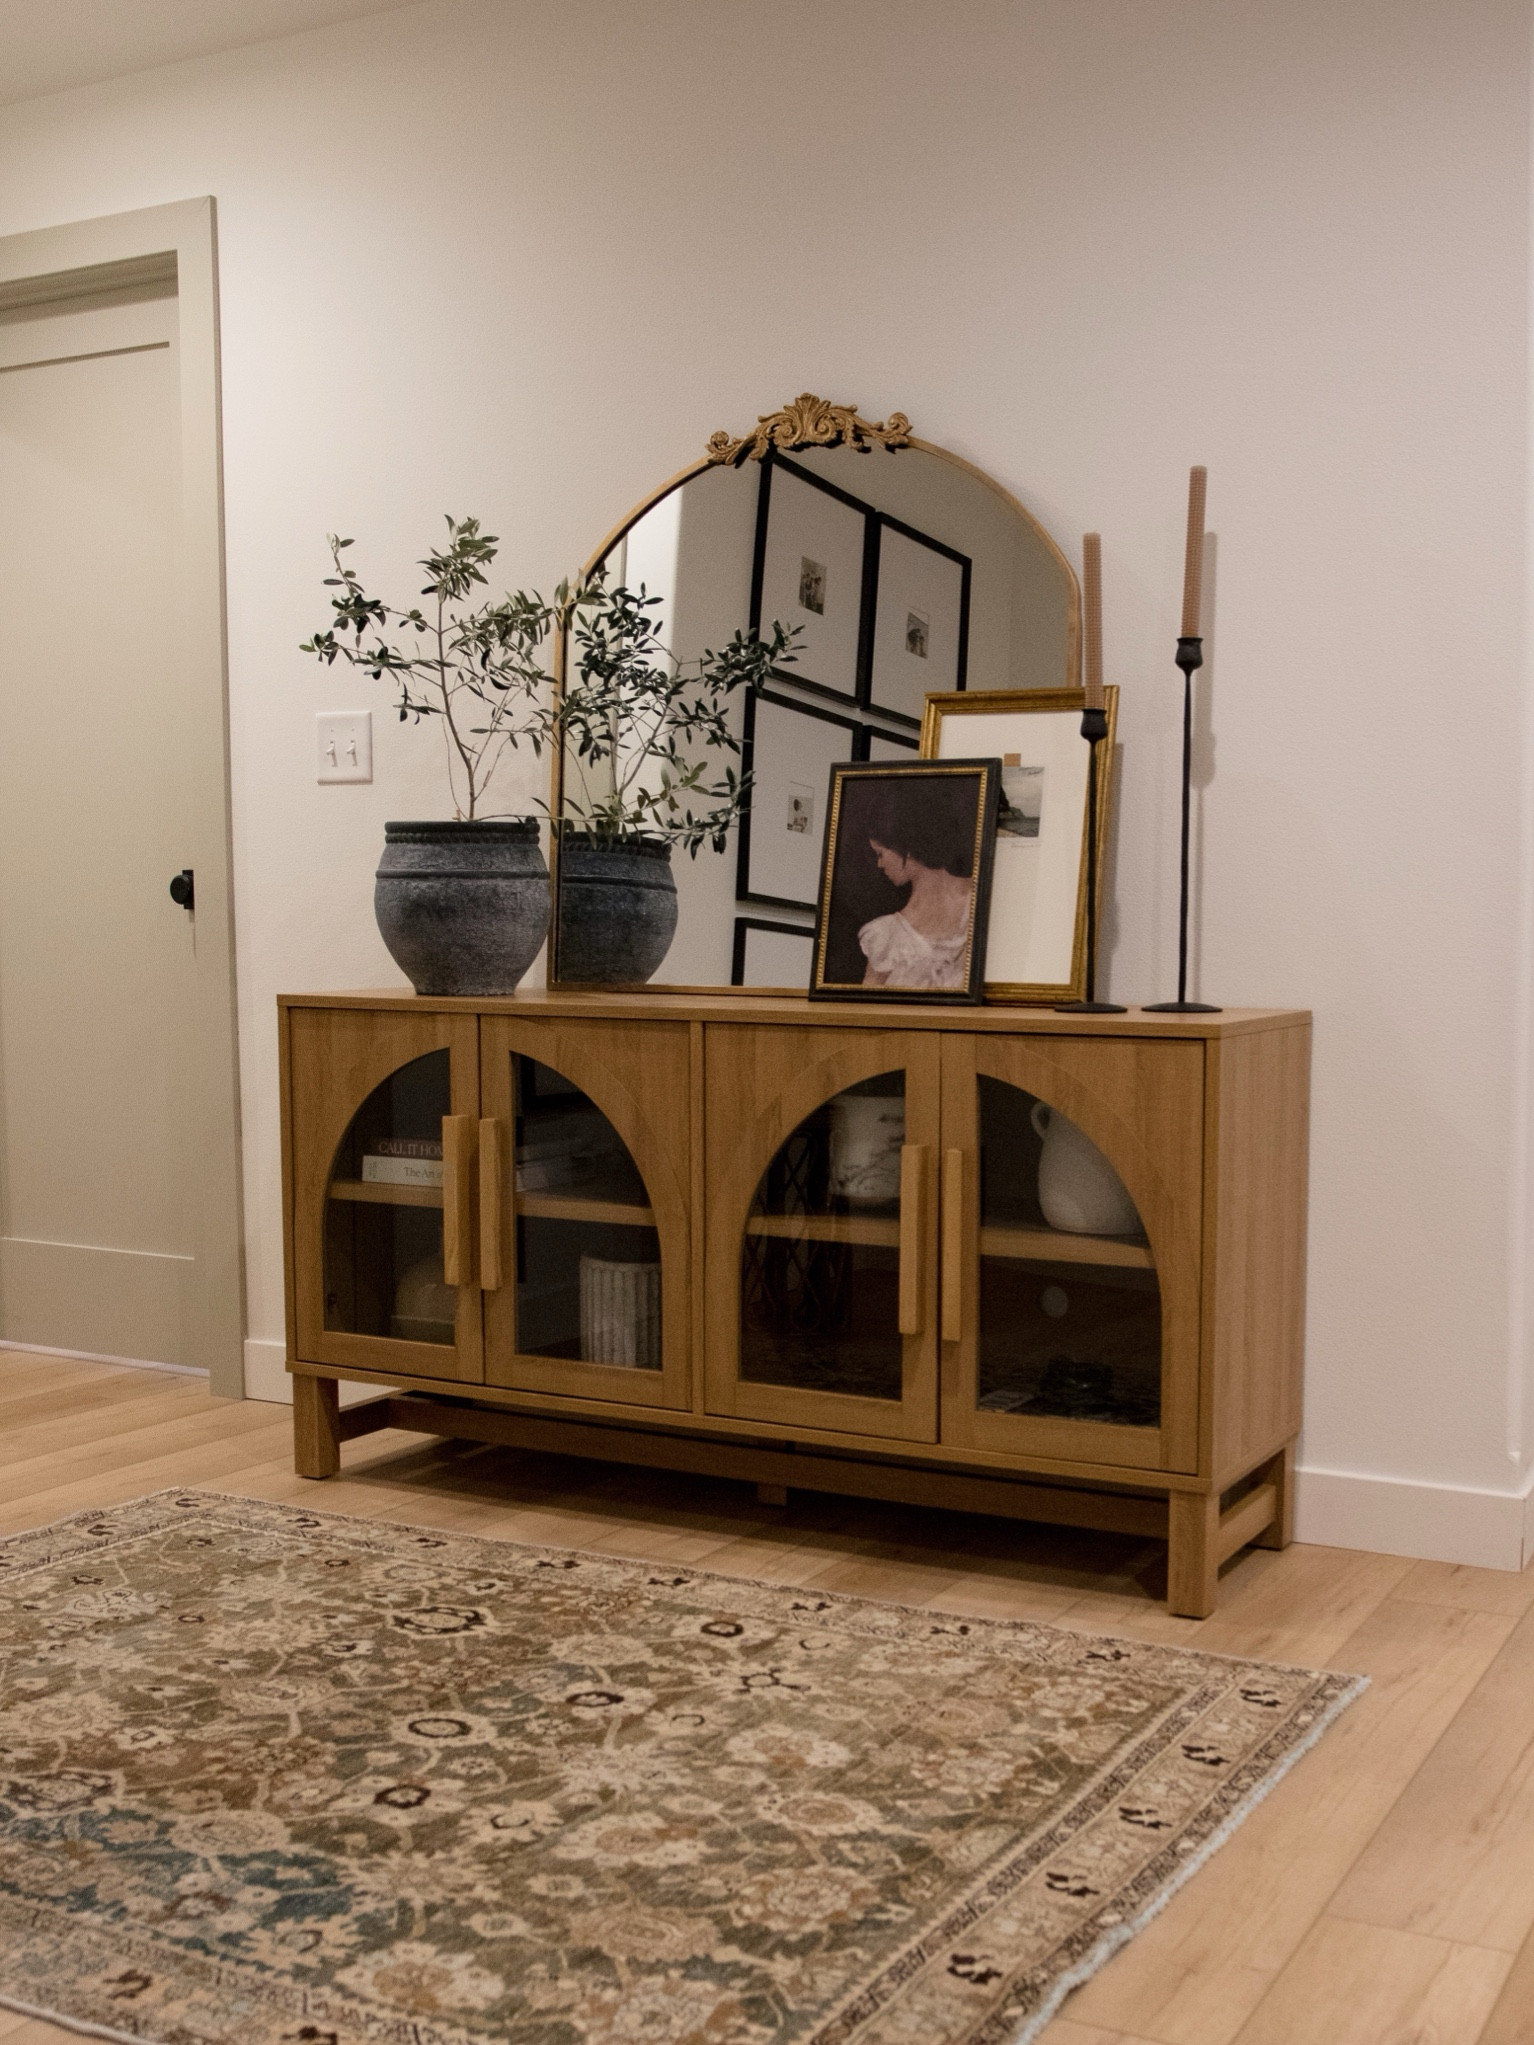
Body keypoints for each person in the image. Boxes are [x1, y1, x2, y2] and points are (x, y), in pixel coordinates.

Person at [854, 782, 976, 990]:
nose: (879, 864)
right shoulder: (886, 936)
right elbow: (866, 1009)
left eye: (880, 853)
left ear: (905, 846)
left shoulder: (979, 900)